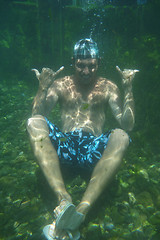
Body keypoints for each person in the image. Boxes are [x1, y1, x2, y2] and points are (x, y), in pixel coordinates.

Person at [27, 38, 139, 240]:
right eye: (81, 66)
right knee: (33, 123)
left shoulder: (109, 87)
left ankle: (82, 209)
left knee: (122, 136)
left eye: (91, 66)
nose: (86, 71)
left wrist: (128, 89)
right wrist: (43, 88)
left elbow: (127, 124)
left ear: (99, 62)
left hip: (92, 148)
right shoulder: (61, 84)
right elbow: (38, 115)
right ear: (73, 62)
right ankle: (63, 198)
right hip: (65, 144)